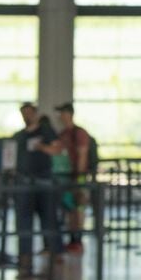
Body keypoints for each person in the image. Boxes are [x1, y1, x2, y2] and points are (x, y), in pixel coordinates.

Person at [11, 102, 61, 274]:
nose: (27, 116)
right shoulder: (18, 136)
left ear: (35, 114)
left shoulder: (46, 131)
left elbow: (57, 149)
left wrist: (42, 147)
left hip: (44, 181)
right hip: (24, 183)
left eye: (30, 113)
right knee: (24, 221)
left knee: (48, 218)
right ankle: (25, 256)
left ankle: (55, 251)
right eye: (24, 113)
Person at [53, 103, 92, 250]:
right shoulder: (63, 134)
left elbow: (82, 155)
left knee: (78, 207)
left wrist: (78, 177)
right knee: (70, 208)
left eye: (62, 113)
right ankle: (72, 238)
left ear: (69, 114)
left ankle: (78, 239)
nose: (60, 117)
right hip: (66, 176)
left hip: (77, 176)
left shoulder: (79, 133)